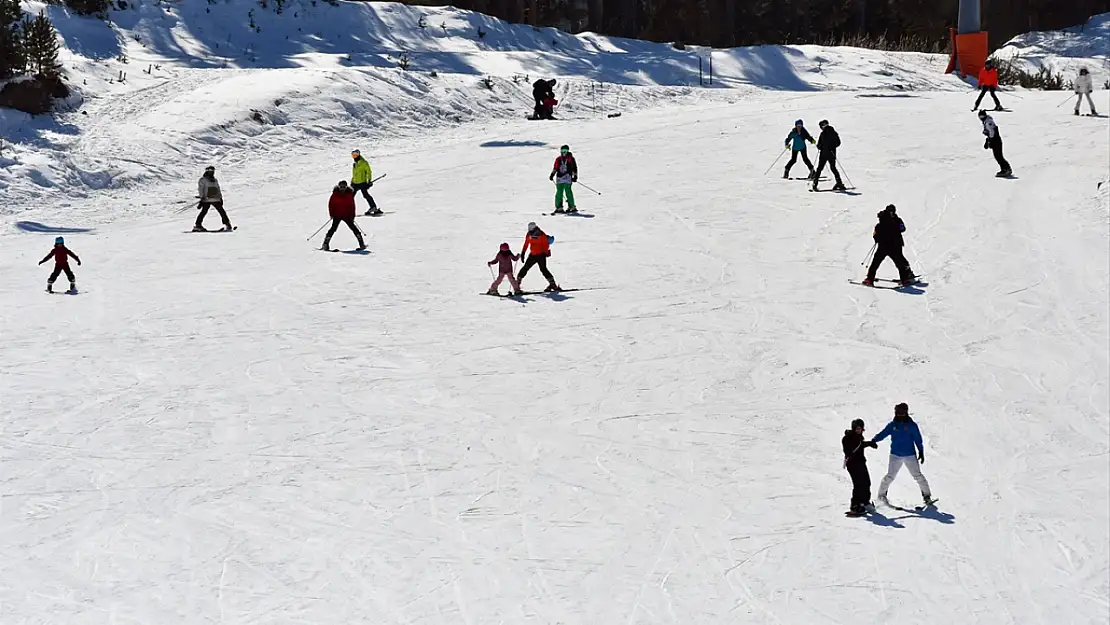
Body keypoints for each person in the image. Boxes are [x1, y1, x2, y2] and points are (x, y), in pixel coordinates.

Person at [870, 403, 935, 507]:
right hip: (895, 455)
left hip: (910, 455)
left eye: (901, 413)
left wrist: (921, 451)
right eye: (897, 413)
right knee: (890, 476)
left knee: (918, 476)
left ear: (906, 413)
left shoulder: (911, 425)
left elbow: (918, 439)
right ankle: (881, 496)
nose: (899, 415)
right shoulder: (893, 425)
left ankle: (927, 496)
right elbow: (884, 433)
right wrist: (874, 440)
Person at [862, 204, 916, 287]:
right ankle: (905, 280)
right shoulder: (897, 221)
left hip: (883, 246)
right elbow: (903, 229)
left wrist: (877, 240)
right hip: (895, 246)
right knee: (899, 263)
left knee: (875, 263)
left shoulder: (880, 224)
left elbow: (875, 235)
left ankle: (869, 279)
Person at [843, 418, 878, 516]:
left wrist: (870, 444)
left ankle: (865, 502)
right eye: (857, 428)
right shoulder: (847, 438)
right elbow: (849, 451)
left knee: (867, 482)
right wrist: (860, 443)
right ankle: (855, 505)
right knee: (858, 484)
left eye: (860, 428)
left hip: (861, 463)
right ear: (853, 428)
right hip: (852, 464)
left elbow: (861, 444)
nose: (859, 430)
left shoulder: (859, 438)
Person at [321, 181, 366, 252]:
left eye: (344, 187)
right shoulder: (335, 194)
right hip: (337, 215)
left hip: (347, 215)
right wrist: (331, 214)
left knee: (354, 228)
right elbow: (331, 205)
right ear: (338, 186)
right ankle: (325, 244)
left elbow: (352, 206)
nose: (342, 188)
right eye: (341, 187)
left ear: (346, 186)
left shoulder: (349, 194)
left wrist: (352, 215)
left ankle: (361, 244)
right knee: (333, 229)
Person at [517, 222, 560, 292]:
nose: (529, 230)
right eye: (529, 228)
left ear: (534, 228)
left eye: (530, 228)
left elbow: (546, 245)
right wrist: (523, 253)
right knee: (525, 268)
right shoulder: (529, 234)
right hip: (532, 255)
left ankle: (553, 284)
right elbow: (526, 243)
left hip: (541, 255)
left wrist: (545, 253)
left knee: (543, 269)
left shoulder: (541, 234)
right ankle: (517, 283)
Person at [194, 166, 234, 232]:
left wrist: (220, 197)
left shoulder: (215, 180)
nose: (211, 172)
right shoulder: (203, 179)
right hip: (206, 199)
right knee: (204, 211)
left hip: (215, 198)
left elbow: (218, 189)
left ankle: (227, 224)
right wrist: (202, 197)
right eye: (210, 170)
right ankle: (198, 225)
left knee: (221, 211)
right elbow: (201, 189)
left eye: (212, 170)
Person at [811, 120, 846, 192]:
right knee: (833, 168)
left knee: (820, 168)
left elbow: (819, 144)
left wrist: (821, 147)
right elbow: (838, 142)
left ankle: (815, 183)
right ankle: (839, 183)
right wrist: (831, 147)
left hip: (825, 153)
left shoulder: (824, 133)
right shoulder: (833, 132)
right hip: (831, 153)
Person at [978, 110, 1012, 177]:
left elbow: (992, 132)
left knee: (998, 156)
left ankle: (1007, 169)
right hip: (995, 140)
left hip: (996, 141)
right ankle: (1004, 169)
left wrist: (990, 140)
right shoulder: (987, 121)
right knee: (997, 156)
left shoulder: (988, 122)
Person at [350, 149, 381, 216]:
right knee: (350, 196)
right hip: (355, 183)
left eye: (355, 155)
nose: (354, 157)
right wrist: (352, 181)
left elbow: (368, 172)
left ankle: (373, 207)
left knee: (365, 195)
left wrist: (369, 181)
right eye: (353, 155)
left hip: (362, 182)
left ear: (358, 155)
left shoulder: (364, 163)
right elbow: (354, 174)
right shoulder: (355, 164)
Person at [549, 145, 578, 214]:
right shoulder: (558, 159)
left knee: (568, 191)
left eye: (566, 151)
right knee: (559, 192)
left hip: (568, 177)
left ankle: (572, 206)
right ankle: (559, 207)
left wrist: (575, 176)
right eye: (563, 151)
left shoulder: (571, 159)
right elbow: (555, 167)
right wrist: (552, 174)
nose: (564, 152)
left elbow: (574, 168)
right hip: (560, 177)